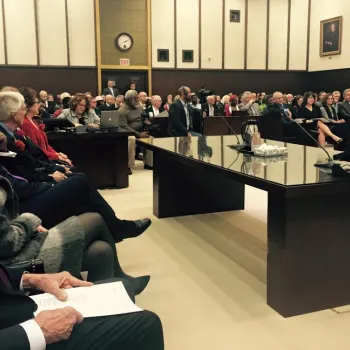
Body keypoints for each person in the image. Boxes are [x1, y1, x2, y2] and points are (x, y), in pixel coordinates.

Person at [0, 175, 151, 291]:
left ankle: (101, 311)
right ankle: (120, 275)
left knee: (101, 250)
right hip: (13, 265)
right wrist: (28, 222)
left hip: (16, 244)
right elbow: (7, 243)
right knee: (95, 218)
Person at [0, 266, 164, 349]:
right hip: (14, 336)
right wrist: (38, 331)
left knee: (122, 288)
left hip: (10, 306)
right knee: (147, 324)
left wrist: (30, 279)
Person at [19, 87, 73, 166]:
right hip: (42, 162)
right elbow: (37, 151)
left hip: (47, 158)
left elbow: (46, 146)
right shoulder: (25, 124)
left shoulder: (33, 121)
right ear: (29, 106)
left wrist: (57, 154)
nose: (39, 105)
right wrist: (56, 156)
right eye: (37, 102)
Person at [118, 90, 149, 174]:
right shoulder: (122, 110)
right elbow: (124, 126)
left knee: (152, 137)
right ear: (129, 99)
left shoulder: (139, 107)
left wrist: (147, 122)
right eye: (135, 98)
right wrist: (138, 134)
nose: (137, 100)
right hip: (129, 133)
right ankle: (128, 165)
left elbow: (144, 118)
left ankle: (149, 163)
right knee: (131, 139)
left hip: (142, 131)